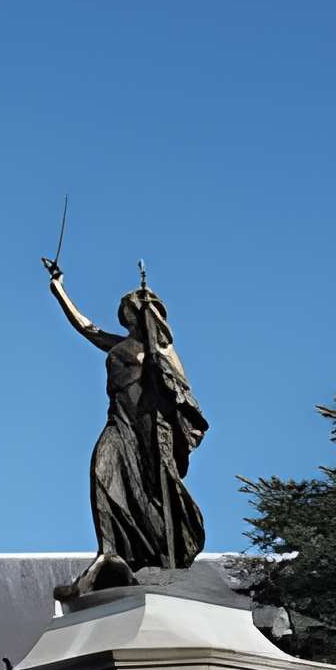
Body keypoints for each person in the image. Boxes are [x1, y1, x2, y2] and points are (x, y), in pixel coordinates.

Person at [42, 258, 207, 602]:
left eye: (129, 309)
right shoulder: (119, 344)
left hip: (148, 426)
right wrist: (60, 290)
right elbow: (87, 328)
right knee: (102, 470)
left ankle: (163, 551)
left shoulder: (159, 349)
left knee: (153, 489)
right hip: (118, 421)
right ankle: (109, 553)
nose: (124, 313)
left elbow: (183, 392)